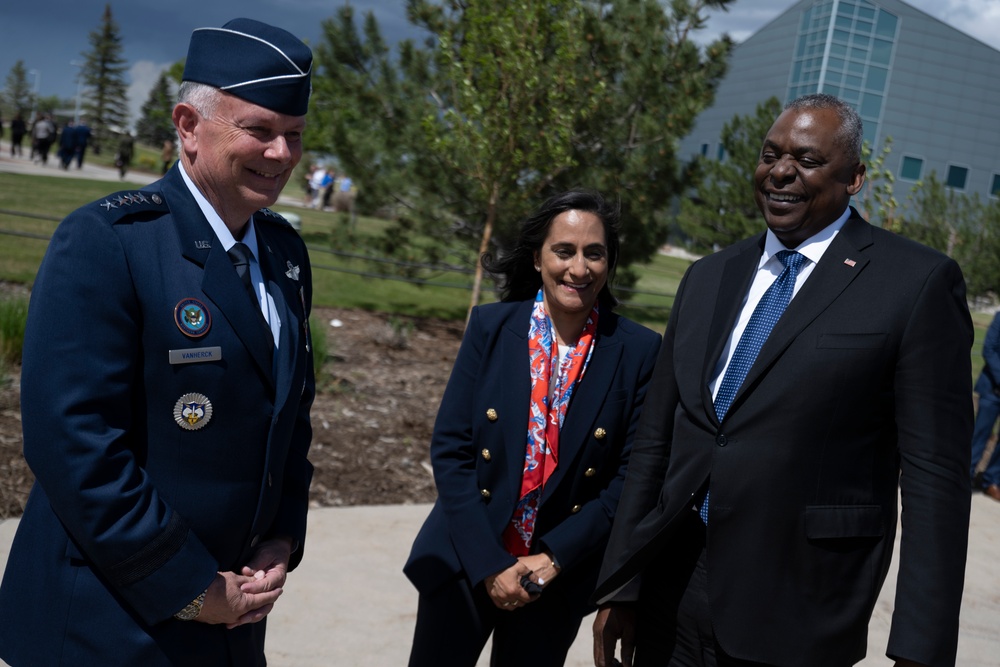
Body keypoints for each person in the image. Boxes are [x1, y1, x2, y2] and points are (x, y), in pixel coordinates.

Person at [593, 93, 972, 667]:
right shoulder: (707, 276)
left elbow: (935, 478)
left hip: (799, 602)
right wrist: (622, 582)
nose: (782, 171)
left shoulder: (917, 283)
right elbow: (656, 440)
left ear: (855, 178)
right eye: (770, 154)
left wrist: (922, 645)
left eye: (807, 159)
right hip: (671, 591)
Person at [0, 18, 316, 666]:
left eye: (295, 136)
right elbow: (74, 446)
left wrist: (282, 536)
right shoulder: (110, 242)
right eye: (259, 129)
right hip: (108, 625)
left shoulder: (284, 253)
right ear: (189, 125)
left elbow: (289, 420)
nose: (282, 154)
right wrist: (193, 587)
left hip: (230, 621)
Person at [404, 190, 662, 667]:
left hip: (555, 574)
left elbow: (630, 478)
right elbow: (451, 449)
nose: (579, 269)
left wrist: (554, 558)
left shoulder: (639, 350)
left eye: (594, 253)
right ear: (539, 258)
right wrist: (489, 564)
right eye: (564, 251)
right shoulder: (491, 326)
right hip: (466, 554)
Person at [970, 311, 1000, 500]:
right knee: (979, 435)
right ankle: (965, 477)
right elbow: (988, 349)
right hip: (992, 389)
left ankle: (991, 481)